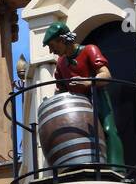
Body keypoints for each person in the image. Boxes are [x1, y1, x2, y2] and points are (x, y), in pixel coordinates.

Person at [42, 21, 125, 168]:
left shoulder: (89, 50)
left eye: (53, 46)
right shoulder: (61, 63)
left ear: (62, 40)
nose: (51, 51)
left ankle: (117, 169)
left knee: (108, 130)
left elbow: (106, 75)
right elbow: (60, 89)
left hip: (97, 96)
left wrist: (87, 83)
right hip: (75, 105)